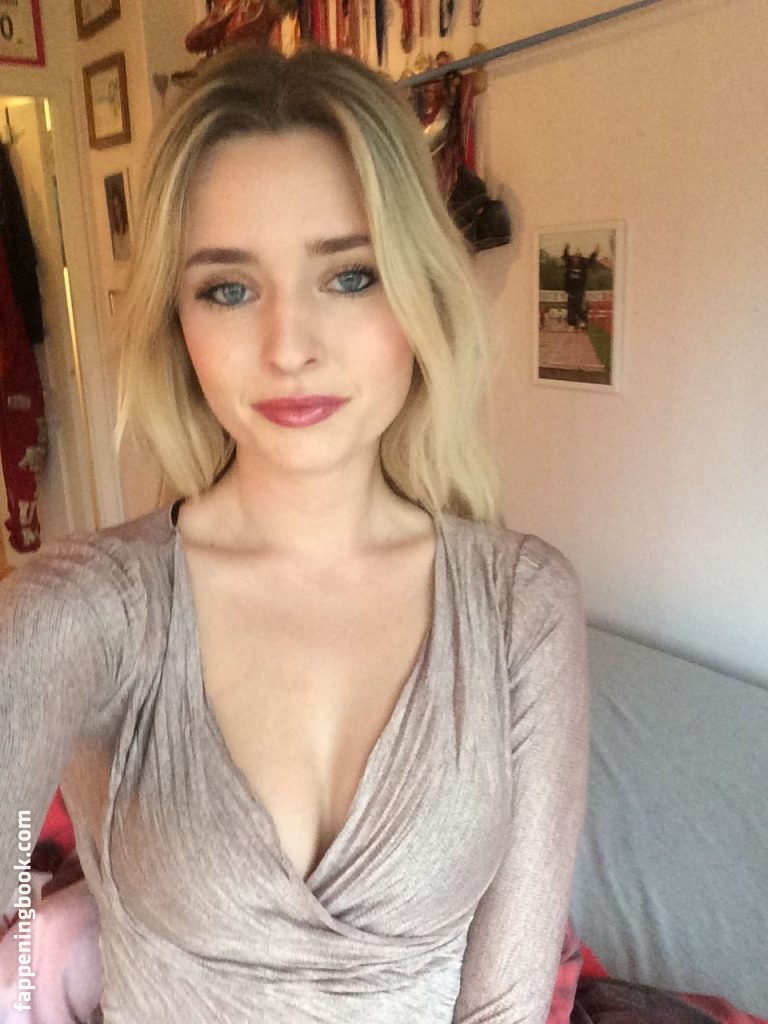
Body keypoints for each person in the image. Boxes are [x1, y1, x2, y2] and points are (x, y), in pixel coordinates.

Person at [0, 44, 588, 1023]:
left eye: (350, 276)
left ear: (419, 290)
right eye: (229, 289)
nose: (288, 347)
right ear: (178, 324)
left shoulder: (522, 604)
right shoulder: (77, 609)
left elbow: (508, 1002)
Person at [562, 243, 599, 331]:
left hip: (579, 290)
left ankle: (583, 320)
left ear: (580, 258)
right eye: (574, 257)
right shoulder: (569, 264)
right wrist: (566, 248)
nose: (575, 259)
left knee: (578, 306)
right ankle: (572, 323)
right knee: (570, 307)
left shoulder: (583, 264)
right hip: (570, 289)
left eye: (577, 257)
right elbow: (566, 257)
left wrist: (595, 252)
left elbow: (591, 261)